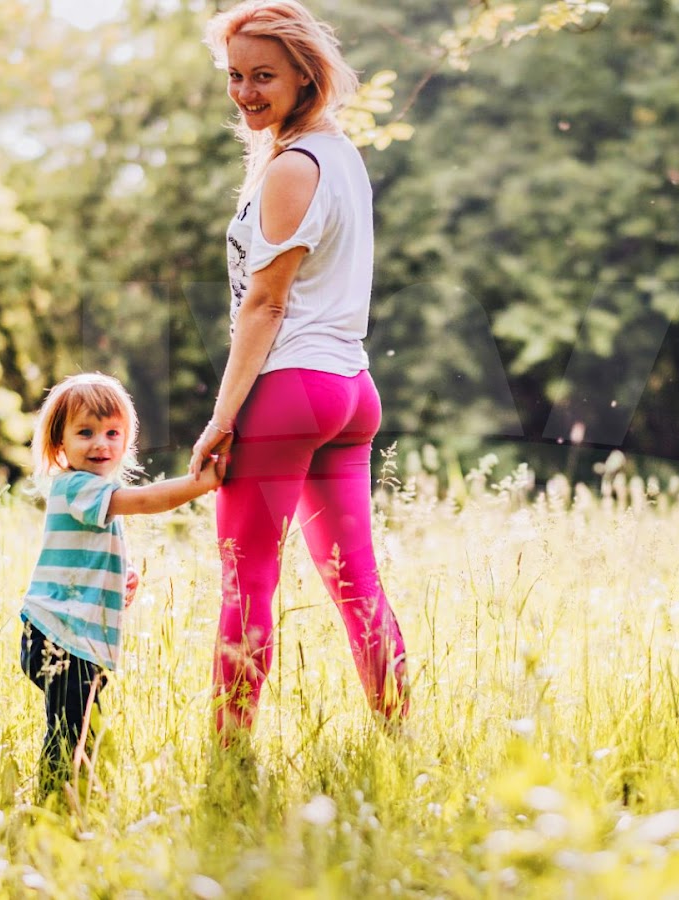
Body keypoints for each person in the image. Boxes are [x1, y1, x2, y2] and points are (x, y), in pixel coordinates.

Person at [193, 0, 409, 740]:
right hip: (350, 391)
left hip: (291, 390)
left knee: (246, 579)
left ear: (305, 76)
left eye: (264, 76)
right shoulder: (341, 155)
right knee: (357, 586)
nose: (247, 92)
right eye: (236, 77)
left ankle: (228, 754)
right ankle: (398, 736)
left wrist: (222, 420)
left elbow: (265, 304)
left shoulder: (293, 167)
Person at [19, 372, 222, 801]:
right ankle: (57, 807)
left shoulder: (95, 490)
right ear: (60, 445)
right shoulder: (76, 485)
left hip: (77, 636)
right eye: (86, 433)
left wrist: (117, 576)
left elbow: (88, 553)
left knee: (78, 725)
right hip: (59, 634)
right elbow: (148, 501)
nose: (101, 444)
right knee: (69, 732)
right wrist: (198, 485)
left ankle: (72, 801)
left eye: (113, 433)